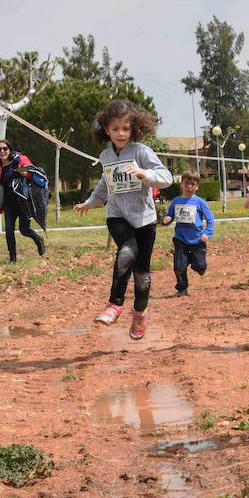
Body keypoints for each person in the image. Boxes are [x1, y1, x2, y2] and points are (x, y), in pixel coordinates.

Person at [74, 100, 173, 338]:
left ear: (133, 129)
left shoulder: (141, 152)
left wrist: (145, 174)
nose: (120, 133)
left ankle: (139, 313)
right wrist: (90, 202)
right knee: (126, 252)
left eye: (125, 129)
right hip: (117, 214)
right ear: (106, 129)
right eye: (115, 128)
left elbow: (166, 177)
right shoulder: (105, 156)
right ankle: (114, 305)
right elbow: (104, 184)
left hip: (145, 219)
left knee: (141, 274)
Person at [0, 140, 47, 263]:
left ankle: (38, 239)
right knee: (9, 229)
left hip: (23, 201)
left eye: (5, 148)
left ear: (10, 149)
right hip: (9, 203)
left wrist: (25, 174)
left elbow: (33, 174)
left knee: (24, 230)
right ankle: (12, 258)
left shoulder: (20, 160)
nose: (2, 151)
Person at [162, 169, 214, 297]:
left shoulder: (200, 202)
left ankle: (200, 267)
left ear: (197, 186)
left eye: (193, 185)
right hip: (181, 239)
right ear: (181, 184)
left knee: (199, 265)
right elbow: (170, 215)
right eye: (187, 184)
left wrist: (207, 233)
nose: (189, 187)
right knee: (179, 267)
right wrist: (167, 219)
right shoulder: (176, 201)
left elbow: (210, 219)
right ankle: (182, 288)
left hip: (197, 240)